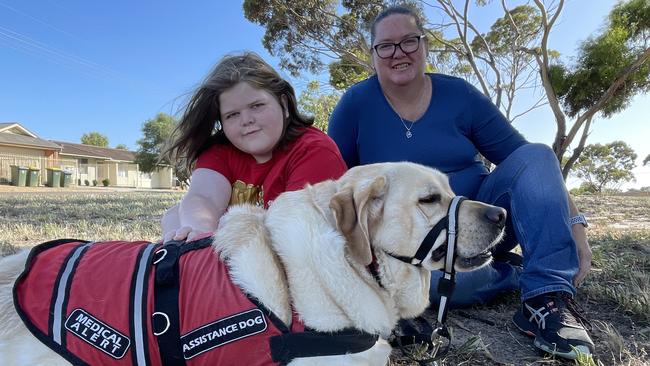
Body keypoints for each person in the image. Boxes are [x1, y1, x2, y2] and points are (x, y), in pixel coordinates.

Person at [328, 5, 594, 360]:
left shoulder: (461, 96)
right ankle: (508, 274)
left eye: (409, 41)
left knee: (538, 152)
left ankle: (547, 296)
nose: (399, 53)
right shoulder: (355, 105)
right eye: (386, 46)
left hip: (485, 220)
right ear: (373, 54)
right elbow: (334, 182)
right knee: (429, 285)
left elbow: (534, 165)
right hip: (417, 245)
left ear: (425, 46)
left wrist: (575, 225)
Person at [162, 52, 347, 243]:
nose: (247, 120)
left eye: (257, 105)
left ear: (283, 104)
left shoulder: (315, 150)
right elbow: (203, 198)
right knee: (175, 217)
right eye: (232, 115)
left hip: (303, 256)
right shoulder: (219, 152)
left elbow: (298, 234)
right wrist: (199, 238)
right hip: (242, 252)